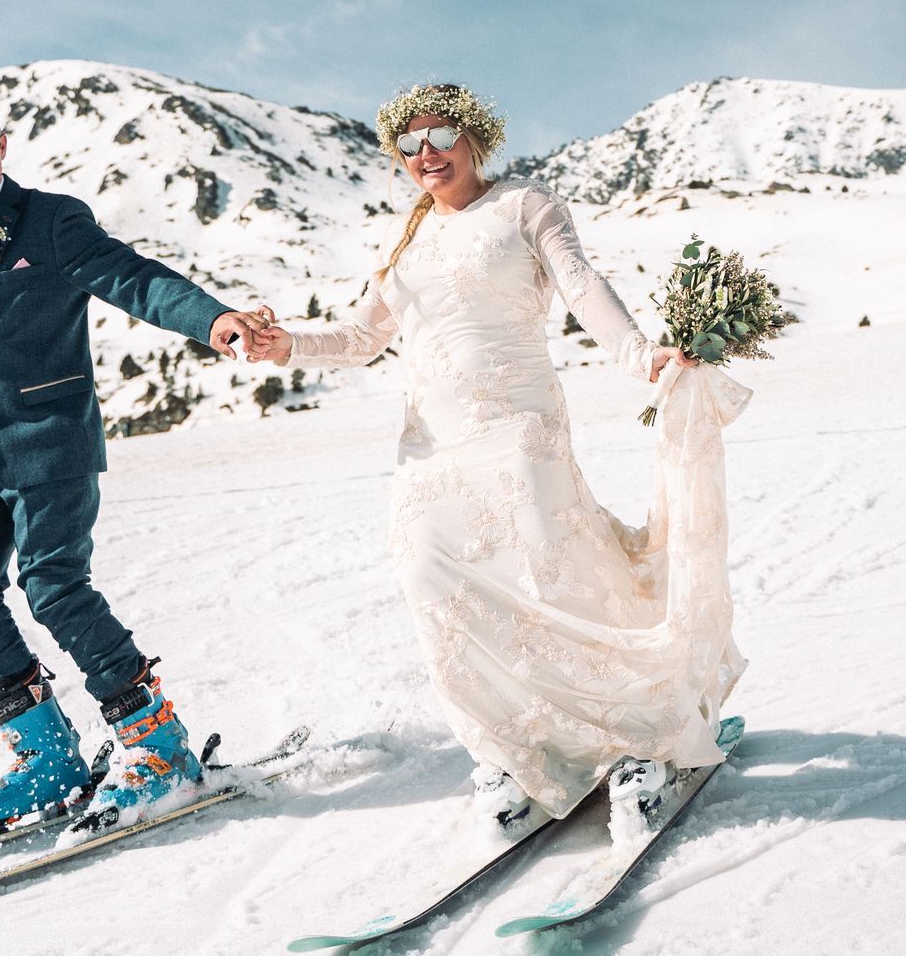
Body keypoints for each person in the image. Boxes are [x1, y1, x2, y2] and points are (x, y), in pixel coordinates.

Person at [247, 83, 751, 832]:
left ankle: (643, 738)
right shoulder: (409, 239)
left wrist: (641, 354)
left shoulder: (525, 205)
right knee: (434, 583)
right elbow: (360, 338)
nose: (427, 153)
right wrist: (286, 343)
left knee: (554, 580)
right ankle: (515, 751)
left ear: (473, 137)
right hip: (430, 447)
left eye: (441, 134)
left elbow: (581, 287)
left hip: (519, 428)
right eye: (409, 143)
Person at [0, 86, 273, 847]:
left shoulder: (50, 220)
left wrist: (214, 320)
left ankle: (157, 747)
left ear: (2, 145)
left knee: (54, 587)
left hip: (47, 436)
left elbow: (135, 278)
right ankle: (49, 758)